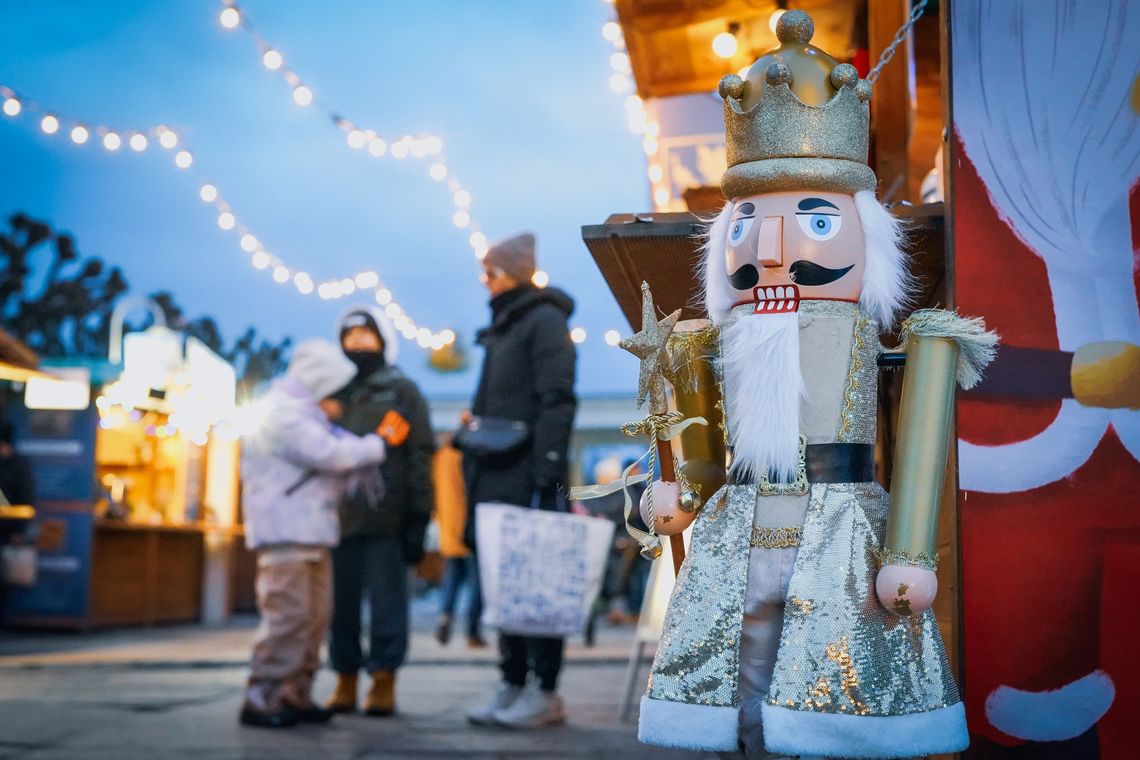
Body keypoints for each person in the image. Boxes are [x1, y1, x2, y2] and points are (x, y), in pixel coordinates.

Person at [461, 232, 577, 729]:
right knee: (504, 585)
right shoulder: (503, 327)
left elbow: (558, 399)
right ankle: (511, 681)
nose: (484, 282)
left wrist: (547, 469)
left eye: (491, 272)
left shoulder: (543, 321)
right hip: (494, 473)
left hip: (528, 474)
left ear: (512, 273)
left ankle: (544, 690)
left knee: (538, 582)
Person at [239, 339, 387, 729]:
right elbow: (330, 454)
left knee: (314, 619)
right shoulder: (284, 414)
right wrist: (375, 446)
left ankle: (294, 693)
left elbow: (336, 449)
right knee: (288, 617)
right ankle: (264, 696)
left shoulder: (305, 415)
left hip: (313, 533)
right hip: (286, 534)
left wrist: (362, 449)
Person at [325, 306, 434, 717]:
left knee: (389, 604)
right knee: (341, 607)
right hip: (337, 519)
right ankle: (345, 679)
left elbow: (420, 455)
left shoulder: (402, 390)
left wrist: (419, 518)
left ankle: (384, 680)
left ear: (383, 340)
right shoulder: (333, 392)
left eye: (365, 336)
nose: (357, 344)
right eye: (349, 338)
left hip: (388, 517)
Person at [432, 432, 484, 648]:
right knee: (477, 584)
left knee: (451, 579)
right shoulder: (465, 457)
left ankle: (445, 615)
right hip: (469, 527)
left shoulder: (438, 459)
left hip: (447, 527)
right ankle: (473, 632)